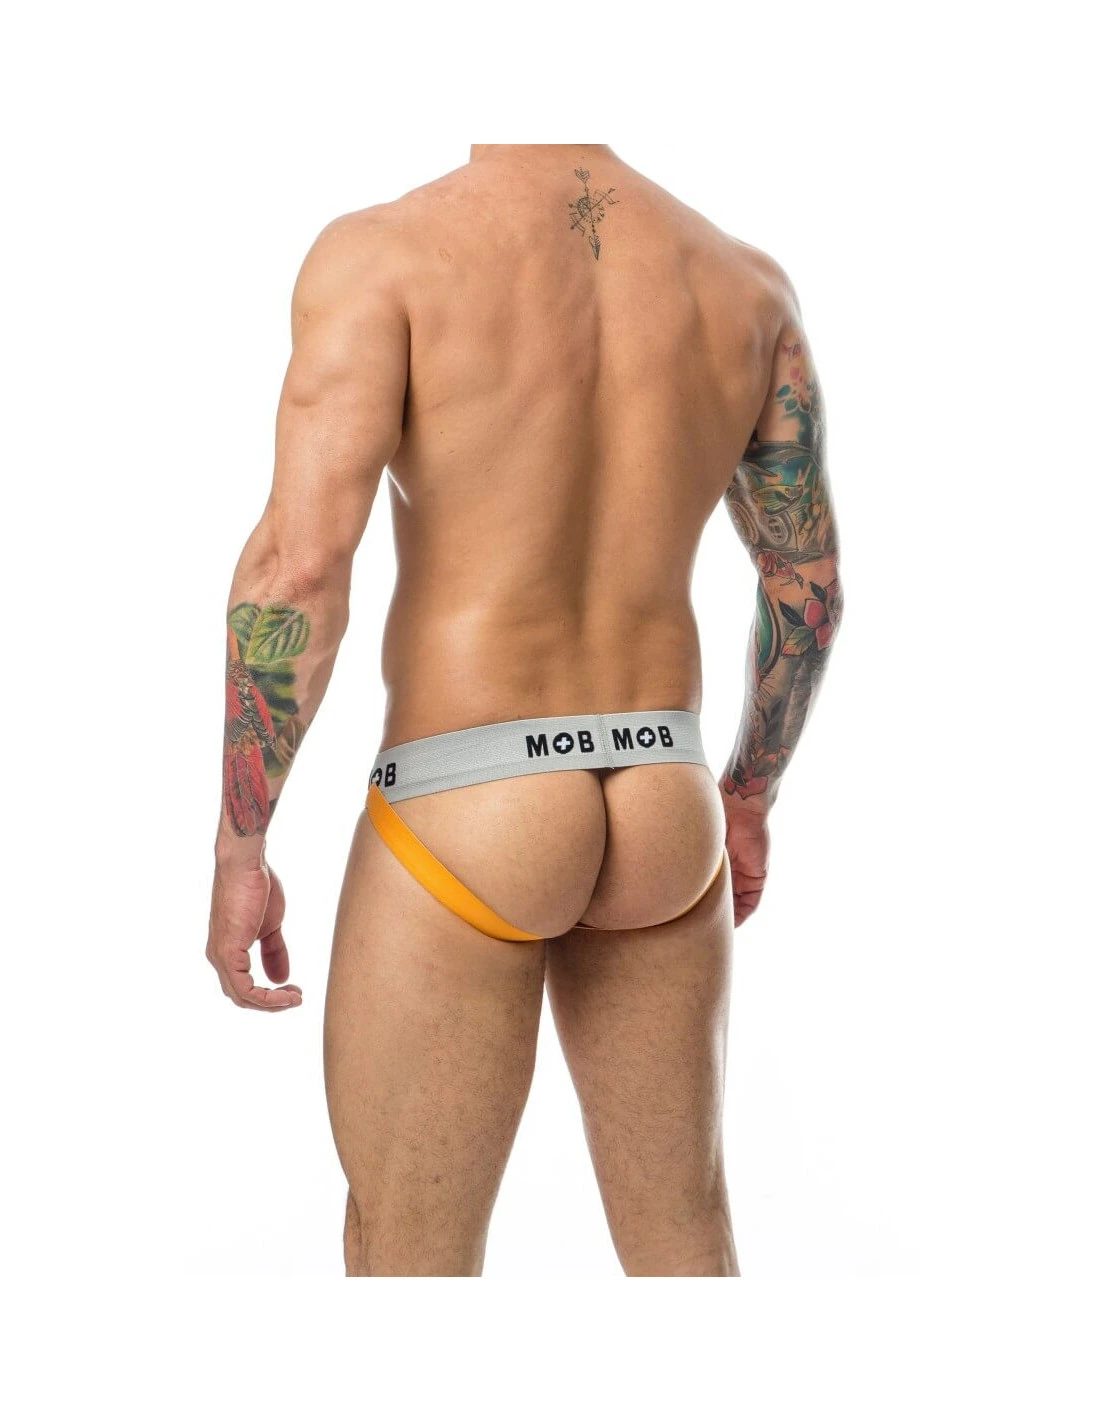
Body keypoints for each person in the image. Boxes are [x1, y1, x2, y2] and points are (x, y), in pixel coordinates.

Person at [205, 143, 843, 1276]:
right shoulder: (743, 283)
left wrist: (240, 844)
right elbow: (806, 585)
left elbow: (298, 572)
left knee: (407, 1261)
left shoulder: (385, 256)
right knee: (685, 1245)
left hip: (471, 799)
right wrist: (747, 797)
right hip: (665, 793)